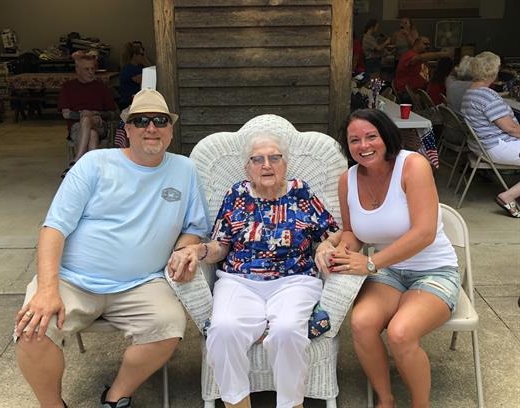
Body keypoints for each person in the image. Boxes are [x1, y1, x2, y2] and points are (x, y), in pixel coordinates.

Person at [14, 88, 211, 408]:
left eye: (160, 120)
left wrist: (184, 249)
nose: (151, 127)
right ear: (127, 129)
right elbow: (53, 229)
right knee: (33, 329)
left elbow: (194, 228)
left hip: (142, 282)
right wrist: (47, 289)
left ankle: (117, 395)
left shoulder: (184, 170)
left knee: (169, 327)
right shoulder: (94, 164)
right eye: (141, 120)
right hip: (72, 280)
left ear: (171, 130)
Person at [170, 131, 340, 408]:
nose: (267, 165)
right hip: (239, 280)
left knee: (286, 330)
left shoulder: (301, 191)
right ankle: (237, 403)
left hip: (294, 279)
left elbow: (334, 233)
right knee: (223, 330)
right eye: (257, 159)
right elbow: (221, 246)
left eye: (274, 157)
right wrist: (199, 250)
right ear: (246, 167)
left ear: (285, 163)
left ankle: (291, 404)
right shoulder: (236, 194)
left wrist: (324, 246)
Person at [317, 109, 460, 408]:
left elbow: (424, 234)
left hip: (434, 270)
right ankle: (386, 400)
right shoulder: (348, 179)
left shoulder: (413, 165)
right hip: (389, 272)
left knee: (400, 333)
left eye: (371, 136)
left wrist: (370, 264)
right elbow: (351, 232)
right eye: (354, 140)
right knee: (362, 323)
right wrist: (341, 251)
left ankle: (421, 405)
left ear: (386, 137)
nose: (363, 145)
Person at [460, 51, 520, 218]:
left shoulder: (470, 92)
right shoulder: (486, 95)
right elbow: (511, 129)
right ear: (493, 72)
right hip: (498, 145)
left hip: (483, 146)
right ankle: (508, 196)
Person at [58, 51, 116, 177]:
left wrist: (96, 114)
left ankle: (76, 161)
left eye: (92, 68)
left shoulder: (101, 86)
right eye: (86, 69)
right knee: (92, 134)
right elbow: (66, 114)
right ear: (77, 69)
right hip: (77, 127)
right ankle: (94, 175)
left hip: (99, 124)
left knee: (87, 120)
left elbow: (112, 113)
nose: (91, 72)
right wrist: (84, 114)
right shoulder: (68, 87)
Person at [118, 42, 151, 110]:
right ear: (134, 55)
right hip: (129, 102)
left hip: (138, 100)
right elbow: (147, 79)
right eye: (141, 54)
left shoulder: (139, 67)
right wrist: (146, 63)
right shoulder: (128, 69)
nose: (143, 56)